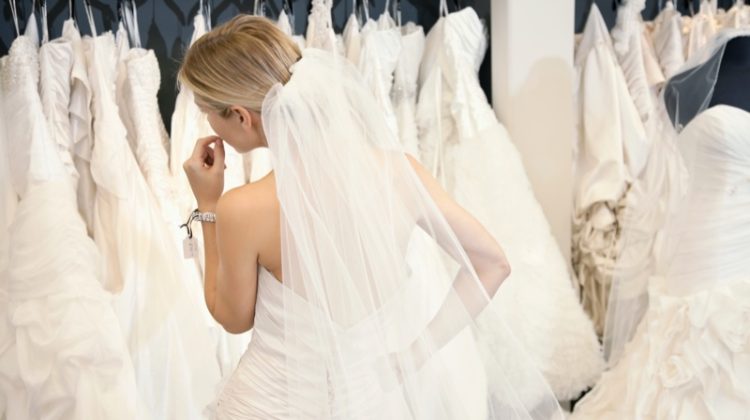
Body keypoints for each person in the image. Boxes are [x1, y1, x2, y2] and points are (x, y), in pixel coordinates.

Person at [179, 15, 562, 419]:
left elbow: (232, 319)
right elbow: (494, 263)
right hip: (369, 401)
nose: (210, 125)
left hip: (270, 404)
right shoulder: (399, 174)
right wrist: (415, 354)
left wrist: (208, 205)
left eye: (209, 112)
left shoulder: (243, 208)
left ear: (240, 116)